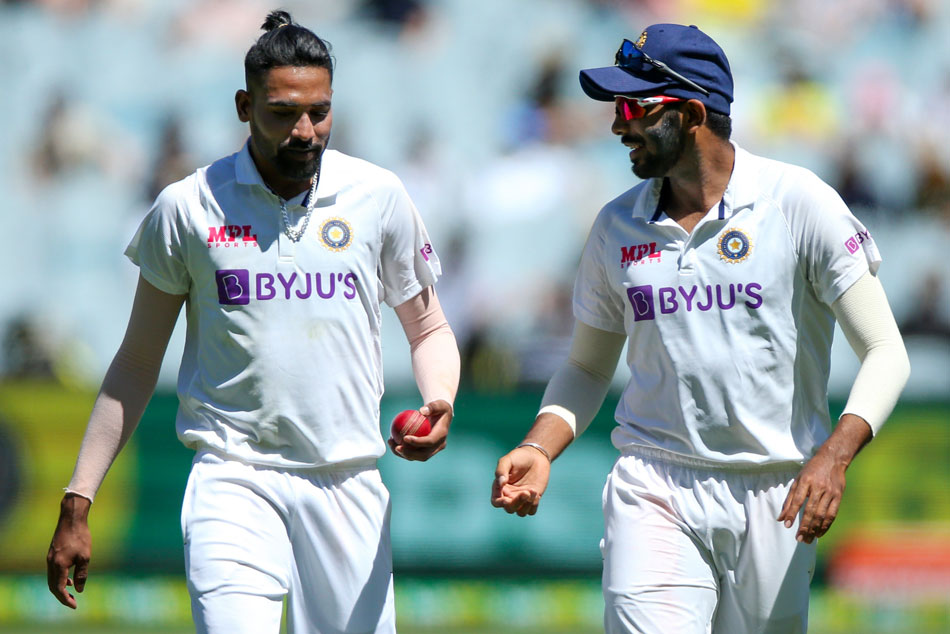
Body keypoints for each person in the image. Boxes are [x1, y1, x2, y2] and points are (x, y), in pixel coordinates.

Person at [46, 10, 460, 634]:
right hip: (232, 478)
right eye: (281, 112)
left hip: (349, 481)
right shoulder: (187, 207)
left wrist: (440, 401)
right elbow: (134, 363)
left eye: (319, 112)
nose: (304, 130)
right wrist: (78, 501)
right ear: (244, 106)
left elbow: (428, 331)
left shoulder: (378, 195)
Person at [491, 23, 909, 633]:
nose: (616, 125)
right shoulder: (616, 228)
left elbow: (886, 352)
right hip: (654, 481)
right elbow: (585, 366)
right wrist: (538, 446)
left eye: (634, 107)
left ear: (689, 113)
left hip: (776, 489)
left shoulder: (796, 202)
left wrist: (834, 457)